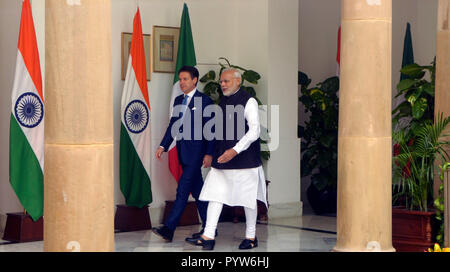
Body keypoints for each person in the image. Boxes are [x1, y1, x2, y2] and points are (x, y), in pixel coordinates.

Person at [186, 68, 267, 250]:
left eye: (226, 81)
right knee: (215, 195)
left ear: (238, 81)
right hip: (222, 161)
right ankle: (208, 235)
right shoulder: (223, 101)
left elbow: (254, 131)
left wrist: (235, 150)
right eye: (221, 81)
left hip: (245, 162)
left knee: (248, 199)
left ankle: (251, 237)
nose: (222, 84)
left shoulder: (249, 101)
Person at [153, 66, 215, 242]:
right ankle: (210, 228)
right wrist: (163, 146)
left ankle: (169, 228)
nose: (181, 82)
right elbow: (173, 125)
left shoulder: (205, 101)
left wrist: (209, 154)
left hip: (197, 153)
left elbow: (211, 130)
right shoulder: (179, 100)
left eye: (185, 79)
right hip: (183, 152)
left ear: (194, 80)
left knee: (182, 190)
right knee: (199, 192)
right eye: (180, 79)